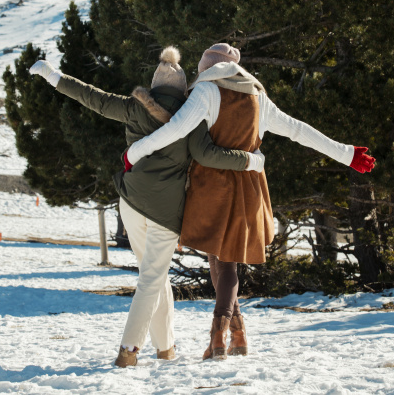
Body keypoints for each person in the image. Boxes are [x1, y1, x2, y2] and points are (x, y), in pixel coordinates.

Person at [124, 43, 376, 360]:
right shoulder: (257, 96)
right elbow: (298, 130)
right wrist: (345, 153)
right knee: (222, 259)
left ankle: (218, 336)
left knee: (223, 261)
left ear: (206, 69)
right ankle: (238, 335)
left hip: (212, 187)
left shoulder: (206, 92)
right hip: (248, 185)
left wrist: (134, 153)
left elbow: (175, 130)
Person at [29, 47, 265, 367]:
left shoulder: (132, 108)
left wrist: (53, 76)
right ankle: (129, 351)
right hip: (165, 213)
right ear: (183, 91)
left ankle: (166, 348)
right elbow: (212, 154)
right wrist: (250, 161)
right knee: (151, 279)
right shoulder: (191, 117)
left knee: (154, 275)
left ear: (153, 87)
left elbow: (90, 96)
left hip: (131, 203)